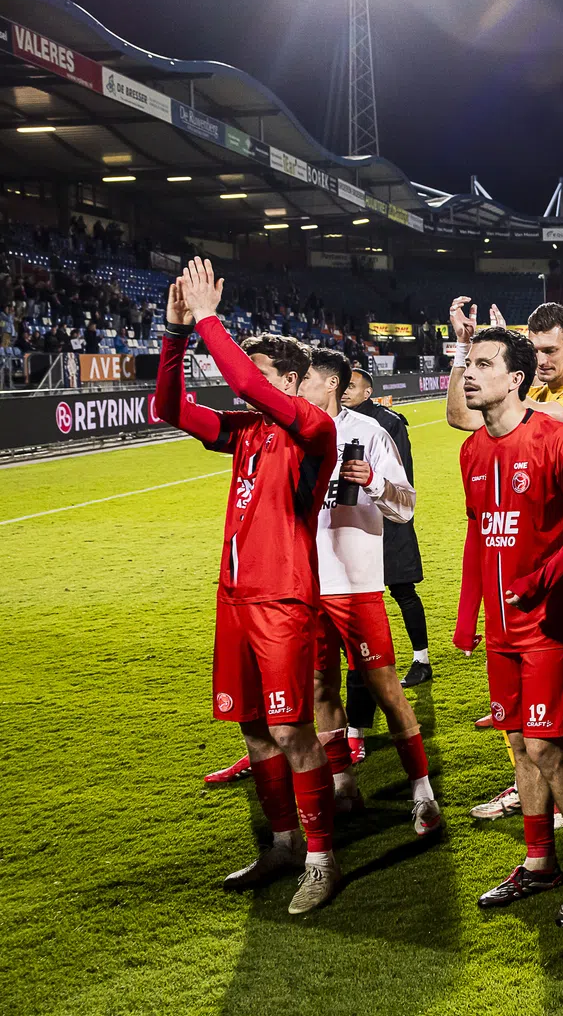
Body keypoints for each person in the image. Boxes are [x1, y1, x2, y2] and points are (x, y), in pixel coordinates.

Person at [154, 258, 342, 914]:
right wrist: (175, 334)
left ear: (288, 382)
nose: (245, 389)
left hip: (282, 599)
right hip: (233, 596)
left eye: (263, 376)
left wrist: (209, 318)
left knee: (292, 732)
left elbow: (242, 380)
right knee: (254, 730)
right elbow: (168, 407)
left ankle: (321, 860)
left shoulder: (314, 430)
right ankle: (284, 844)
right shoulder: (247, 433)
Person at [453, 327, 563, 924]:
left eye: (483, 364)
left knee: (547, 745)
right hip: (501, 628)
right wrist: (468, 614)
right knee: (520, 744)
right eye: (469, 363)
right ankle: (540, 860)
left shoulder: (554, 437)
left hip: (548, 624)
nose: (470, 375)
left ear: (515, 378)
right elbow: (478, 532)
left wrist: (545, 577)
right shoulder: (472, 451)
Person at [297, 347, 444, 830]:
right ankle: (343, 786)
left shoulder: (369, 432)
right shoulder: (292, 432)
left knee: (385, 688)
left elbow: (406, 506)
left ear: (331, 383)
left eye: (306, 379)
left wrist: (375, 482)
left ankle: (422, 791)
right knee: (321, 687)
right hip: (305, 585)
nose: (299, 386)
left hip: (356, 586)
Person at [343, 366, 431, 689]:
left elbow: (401, 480)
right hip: (352, 524)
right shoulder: (336, 422)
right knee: (353, 597)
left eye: (352, 386)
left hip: (389, 521)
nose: (345, 390)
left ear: (368, 392)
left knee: (403, 590)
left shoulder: (388, 422)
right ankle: (364, 664)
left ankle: (421, 660)